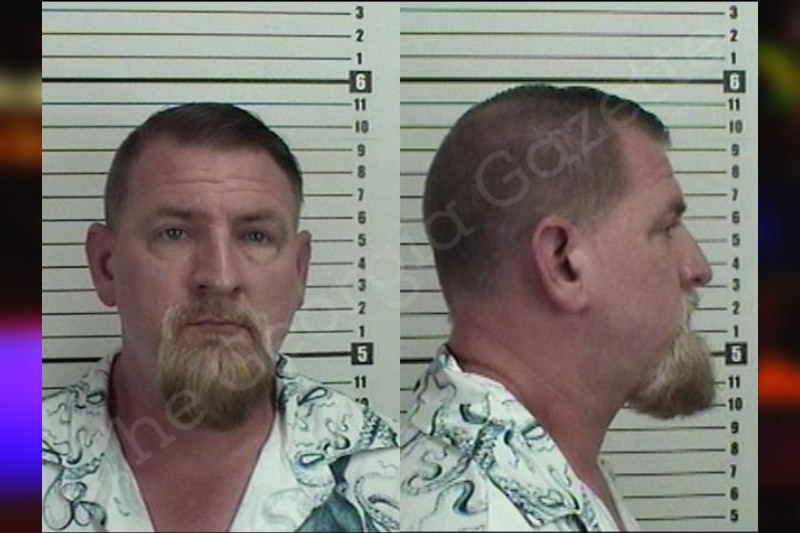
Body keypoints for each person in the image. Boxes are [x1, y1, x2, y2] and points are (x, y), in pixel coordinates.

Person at [42, 103, 398, 532]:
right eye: (174, 233)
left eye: (255, 236)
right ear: (105, 266)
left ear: (299, 272)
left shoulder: (396, 480)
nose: (220, 277)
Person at [400, 85, 715, 531]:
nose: (697, 268)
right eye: (666, 227)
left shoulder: (549, 469)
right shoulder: (481, 518)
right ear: (563, 263)